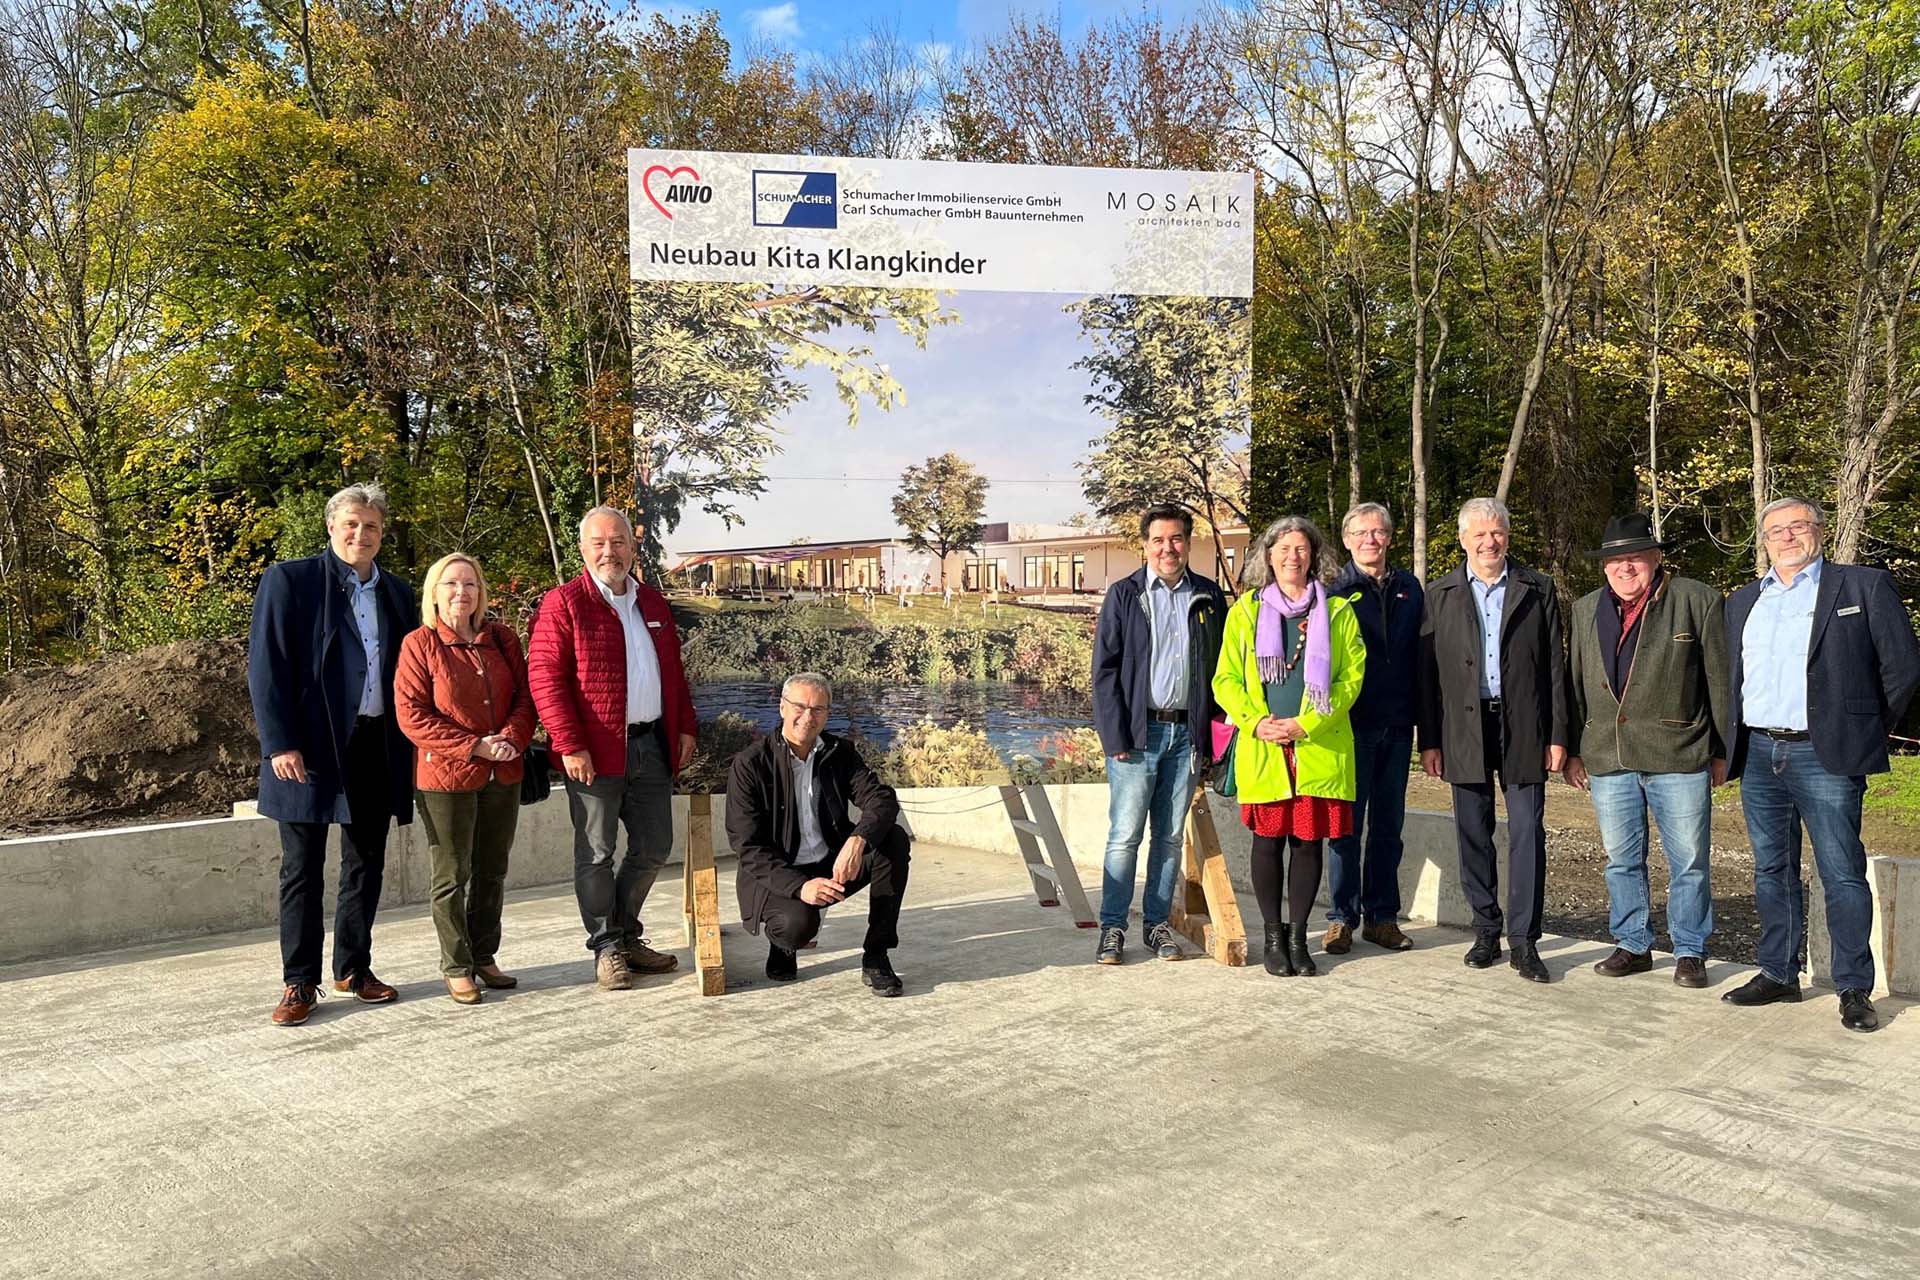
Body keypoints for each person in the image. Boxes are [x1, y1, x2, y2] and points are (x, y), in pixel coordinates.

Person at [1721, 498, 1920, 1032]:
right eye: (1775, 530)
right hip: (1760, 753)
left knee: (1841, 873)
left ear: (1819, 531)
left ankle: (1853, 986)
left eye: (1797, 526)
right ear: (1763, 541)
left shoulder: (1862, 587)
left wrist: (1865, 729)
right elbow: (1731, 678)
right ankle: (1778, 973)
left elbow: (1902, 667)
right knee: (1770, 869)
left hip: (1826, 752)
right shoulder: (1743, 601)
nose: (1786, 537)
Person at [248, 482, 417, 1026]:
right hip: (310, 748)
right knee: (301, 868)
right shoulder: (290, 581)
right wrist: (280, 743)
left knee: (365, 862)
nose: (360, 535)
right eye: (351, 524)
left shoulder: (396, 592)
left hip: (376, 743)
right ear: (331, 527)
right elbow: (266, 668)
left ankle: (354, 967)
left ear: (382, 533)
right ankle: (299, 981)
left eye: (371, 526)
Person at [528, 507, 698, 992]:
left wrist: (684, 726)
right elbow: (544, 679)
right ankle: (607, 948)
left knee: (653, 847)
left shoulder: (653, 604)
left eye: (618, 541)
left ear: (632, 546)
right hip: (594, 754)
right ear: (584, 550)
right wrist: (569, 743)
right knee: (597, 852)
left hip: (651, 746)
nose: (610, 551)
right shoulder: (564, 604)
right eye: (599, 543)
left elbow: (673, 675)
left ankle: (623, 936)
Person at [1563, 513, 1729, 989]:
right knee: (1620, 859)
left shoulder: (1696, 600)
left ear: (1656, 559)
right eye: (1615, 560)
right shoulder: (1584, 608)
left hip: (1679, 754)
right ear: (1603, 567)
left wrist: (1721, 750)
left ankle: (1690, 950)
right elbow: (1575, 685)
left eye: (1634, 557)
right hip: (1608, 757)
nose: (1625, 567)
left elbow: (1718, 681)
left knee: (1690, 860)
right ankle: (1632, 943)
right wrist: (1576, 749)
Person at [1418, 497, 1568, 984]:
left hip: (1522, 725)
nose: (1490, 542)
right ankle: (1486, 929)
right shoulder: (1439, 594)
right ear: (1463, 540)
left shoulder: (1536, 588)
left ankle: (1525, 941)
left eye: (1497, 532)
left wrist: (1558, 734)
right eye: (1479, 534)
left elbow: (1554, 669)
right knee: (1473, 831)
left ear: (1508, 536)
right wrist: (1431, 740)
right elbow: (1428, 676)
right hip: (1463, 727)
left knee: (1527, 832)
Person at [1214, 517, 1366, 977]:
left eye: (1301, 549)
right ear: (1269, 556)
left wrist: (1306, 724)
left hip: (1316, 745)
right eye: (1283, 549)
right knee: (1267, 842)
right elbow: (1225, 679)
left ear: (1314, 556)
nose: (1292, 557)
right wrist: (1256, 722)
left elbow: (1350, 679)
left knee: (1307, 843)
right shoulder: (1244, 611)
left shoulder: (1338, 613)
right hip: (1264, 746)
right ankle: (1273, 938)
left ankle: (1300, 939)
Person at [394, 553, 537, 1005]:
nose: (462, 592)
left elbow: (525, 697)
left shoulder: (503, 640)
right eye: (451, 584)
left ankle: (483, 955)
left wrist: (511, 738)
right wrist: (474, 746)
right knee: (452, 874)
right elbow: (411, 714)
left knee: (492, 869)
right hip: (446, 776)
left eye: (470, 584)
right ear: (434, 594)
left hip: (504, 769)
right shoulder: (420, 644)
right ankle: (456, 965)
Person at [1091, 503, 1228, 965]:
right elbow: (1105, 672)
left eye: (1176, 539)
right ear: (1145, 545)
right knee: (1124, 836)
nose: (1167, 548)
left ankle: (1155, 926)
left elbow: (1222, 671)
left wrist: (1214, 739)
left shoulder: (1209, 596)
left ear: (1188, 543)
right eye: (1158, 540)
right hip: (1136, 735)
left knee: (1168, 838)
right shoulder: (1124, 594)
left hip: (1186, 736)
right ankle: (1112, 928)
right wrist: (1115, 739)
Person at [725, 673, 912, 995]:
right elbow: (748, 846)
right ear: (782, 707)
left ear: (827, 714)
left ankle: (877, 955)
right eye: (800, 706)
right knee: (797, 927)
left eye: (818, 709)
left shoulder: (840, 752)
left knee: (892, 839)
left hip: (831, 862)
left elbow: (880, 798)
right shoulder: (751, 764)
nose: (808, 717)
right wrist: (800, 887)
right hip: (780, 874)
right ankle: (782, 945)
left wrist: (858, 840)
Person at [1325, 502, 1423, 956]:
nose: (1371, 539)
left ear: (1389, 538)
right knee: (1345, 827)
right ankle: (1341, 918)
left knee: (1389, 827)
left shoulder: (1410, 588)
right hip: (1349, 727)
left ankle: (1381, 918)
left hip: (1398, 726)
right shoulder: (1332, 593)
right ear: (1347, 540)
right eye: (1362, 532)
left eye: (1379, 532)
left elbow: (1422, 659)